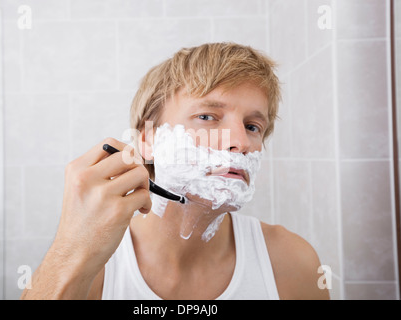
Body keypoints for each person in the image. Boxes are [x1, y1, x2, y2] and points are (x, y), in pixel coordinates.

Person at [21, 42, 330, 300]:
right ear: (148, 140)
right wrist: (70, 251)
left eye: (252, 126)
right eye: (208, 117)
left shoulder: (291, 262)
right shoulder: (94, 270)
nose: (241, 142)